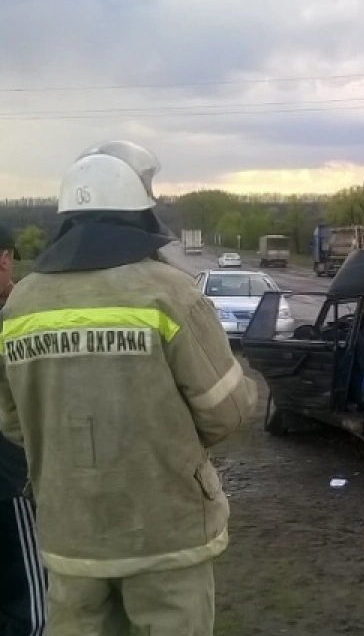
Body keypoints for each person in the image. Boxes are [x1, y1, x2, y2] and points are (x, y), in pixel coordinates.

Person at [0, 141, 256, 636]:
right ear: (139, 213)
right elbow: (227, 413)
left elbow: (14, 422)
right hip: (166, 538)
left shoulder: (20, 306)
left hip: (71, 540)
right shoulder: (169, 294)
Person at [0, 225, 48, 636]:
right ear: (6, 259)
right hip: (10, 481)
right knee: (30, 611)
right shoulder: (26, 313)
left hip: (13, 475)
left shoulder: (21, 311)